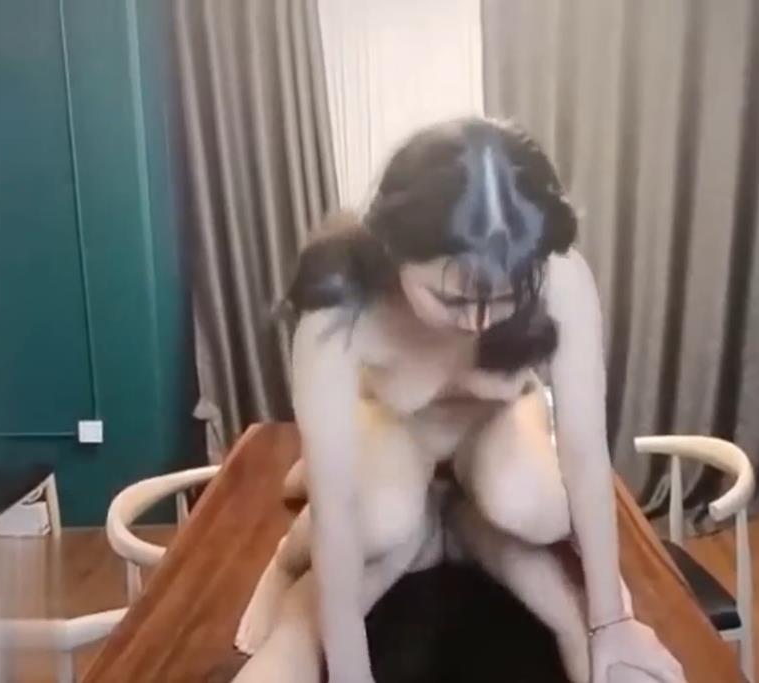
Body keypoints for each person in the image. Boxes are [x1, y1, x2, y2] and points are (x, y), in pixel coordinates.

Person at [234, 118, 685, 683]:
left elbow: (585, 456)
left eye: (505, 298)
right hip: (396, 428)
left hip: (495, 424)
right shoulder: (338, 309)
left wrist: (610, 622)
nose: (477, 323)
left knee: (539, 506)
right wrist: (350, 672)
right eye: (450, 299)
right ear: (391, 248)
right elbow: (336, 510)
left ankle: (459, 524)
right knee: (380, 519)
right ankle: (294, 559)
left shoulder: (559, 277)